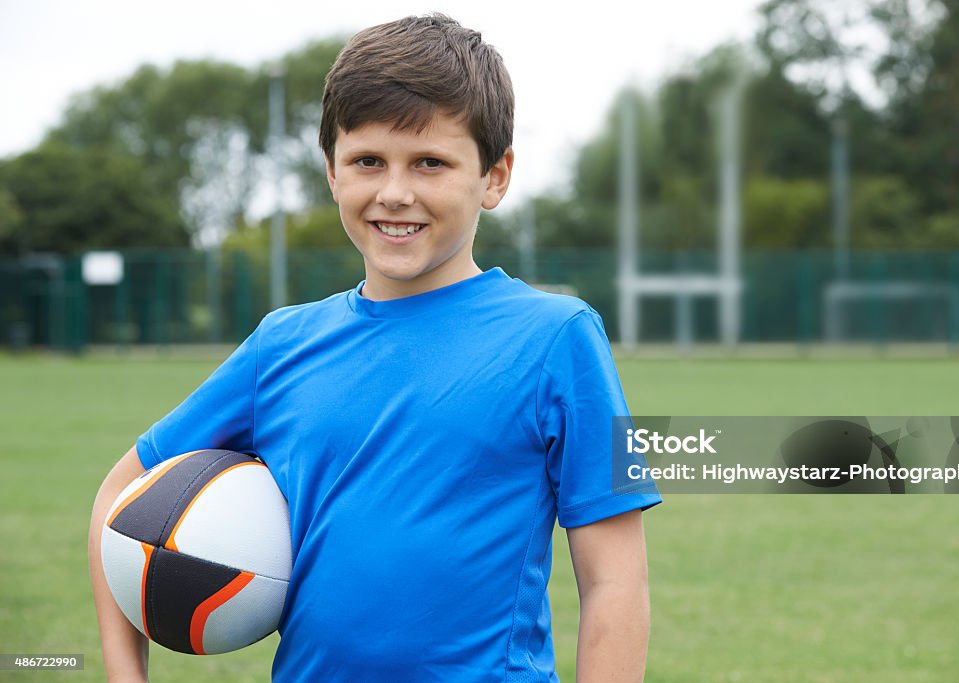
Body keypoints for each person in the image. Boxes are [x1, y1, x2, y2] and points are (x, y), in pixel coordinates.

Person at [88, 13, 660, 682]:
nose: (394, 192)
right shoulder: (282, 344)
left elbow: (615, 579)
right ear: (332, 172)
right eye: (367, 161)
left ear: (495, 176)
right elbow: (119, 497)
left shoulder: (560, 337)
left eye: (430, 162)